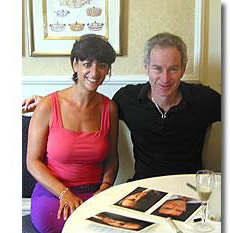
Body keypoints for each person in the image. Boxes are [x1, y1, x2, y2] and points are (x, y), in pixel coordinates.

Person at [23, 32, 221, 181]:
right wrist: (49, 104)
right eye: (157, 69)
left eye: (173, 69)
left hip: (188, 190)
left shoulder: (203, 99)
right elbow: (92, 107)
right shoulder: (128, 99)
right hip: (142, 190)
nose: (165, 78)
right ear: (146, 68)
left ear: (183, 69)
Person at [25, 34, 119, 233]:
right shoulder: (48, 106)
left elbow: (112, 159)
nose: (95, 72)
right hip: (53, 193)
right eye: (87, 64)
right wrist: (64, 193)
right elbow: (32, 162)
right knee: (70, 229)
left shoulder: (109, 108)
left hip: (96, 193)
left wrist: (105, 188)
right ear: (75, 65)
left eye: (102, 65)